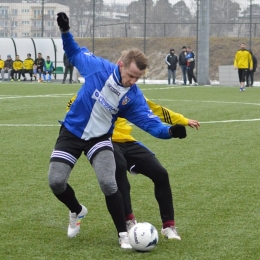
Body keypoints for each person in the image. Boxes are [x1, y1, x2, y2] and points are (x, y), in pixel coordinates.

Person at [49, 12, 187, 249]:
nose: (133, 81)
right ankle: (77, 210)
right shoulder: (96, 68)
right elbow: (73, 52)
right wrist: (65, 31)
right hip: (71, 133)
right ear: (121, 65)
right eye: (131, 75)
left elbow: (150, 123)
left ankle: (124, 235)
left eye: (138, 78)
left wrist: (171, 131)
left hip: (99, 139)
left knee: (109, 183)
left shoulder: (133, 97)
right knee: (56, 182)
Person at [67, 95, 200, 240]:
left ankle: (168, 226)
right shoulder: (87, 93)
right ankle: (129, 220)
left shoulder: (130, 93)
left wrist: (181, 123)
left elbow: (154, 109)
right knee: (119, 168)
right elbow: (73, 116)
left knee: (160, 174)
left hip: (128, 141)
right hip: (104, 141)